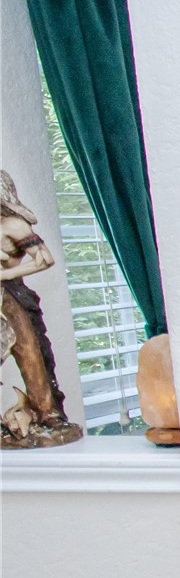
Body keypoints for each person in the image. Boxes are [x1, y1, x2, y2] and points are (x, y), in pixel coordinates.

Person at [0, 169, 81, 446]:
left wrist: (5, 275)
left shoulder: (13, 226)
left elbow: (44, 259)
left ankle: (46, 413)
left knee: (29, 350)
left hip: (9, 295)